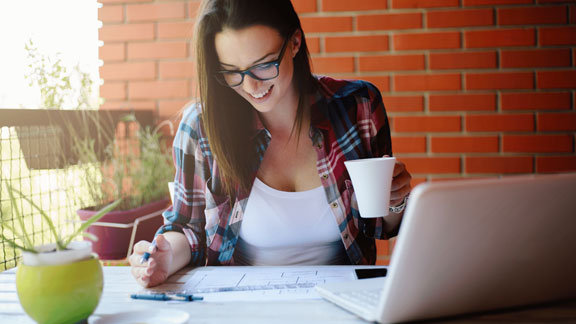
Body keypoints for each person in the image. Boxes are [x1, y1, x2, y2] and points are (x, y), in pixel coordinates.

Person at [129, 0, 412, 288]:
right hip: (240, 303)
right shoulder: (202, 127)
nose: (251, 86)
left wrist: (396, 200)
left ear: (295, 43)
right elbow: (186, 229)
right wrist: (163, 257)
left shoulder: (358, 106)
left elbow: (381, 225)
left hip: (345, 300)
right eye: (231, 71)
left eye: (264, 65)